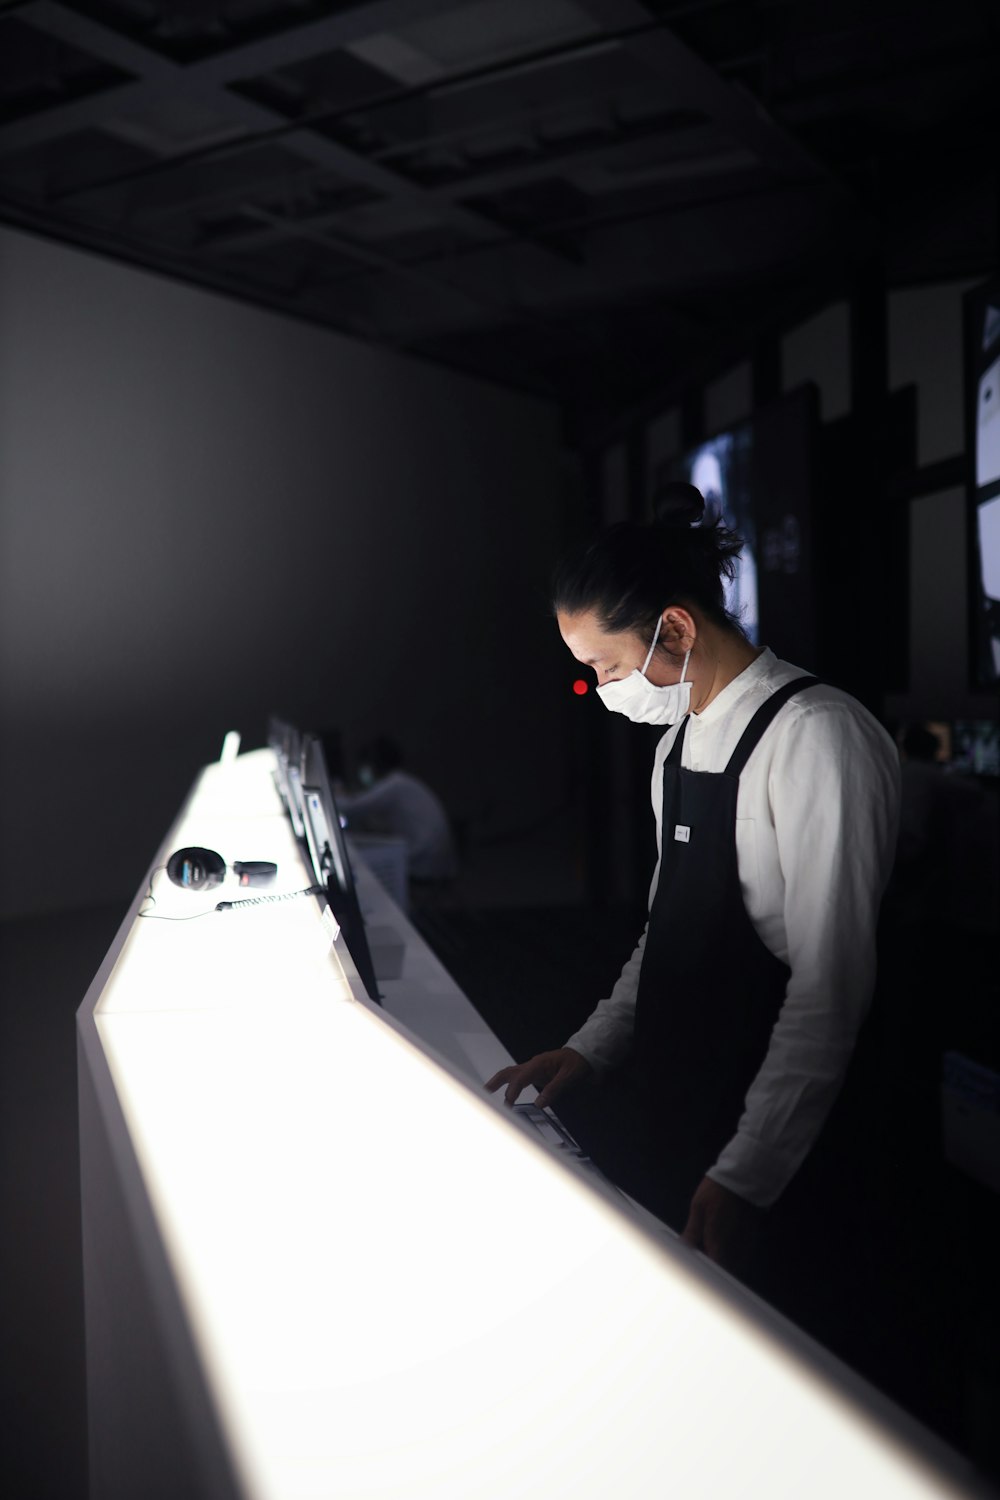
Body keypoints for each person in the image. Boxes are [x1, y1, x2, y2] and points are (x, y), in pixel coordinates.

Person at [486, 486, 900, 1271]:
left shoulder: (816, 737)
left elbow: (831, 990)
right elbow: (666, 932)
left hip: (782, 1143)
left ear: (673, 627)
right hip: (689, 1106)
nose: (602, 689)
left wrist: (750, 1173)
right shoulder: (674, 745)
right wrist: (589, 1049)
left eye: (604, 667)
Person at [339, 736, 459, 884]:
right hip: (433, 856)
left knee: (365, 869)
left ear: (374, 764)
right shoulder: (401, 782)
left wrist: (331, 793)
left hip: (425, 860)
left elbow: (353, 807)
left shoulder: (394, 785)